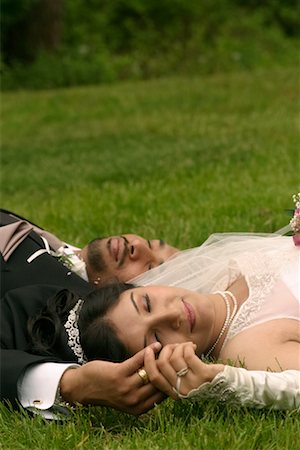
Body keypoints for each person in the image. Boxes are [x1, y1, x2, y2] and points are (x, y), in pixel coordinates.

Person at [27, 233, 300, 410]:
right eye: (156, 338)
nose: (172, 316)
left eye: (147, 303)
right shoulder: (248, 348)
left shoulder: (231, 269)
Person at [0, 209, 179, 293]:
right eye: (151, 243)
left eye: (151, 269)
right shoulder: (56, 246)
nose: (138, 245)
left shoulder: (46, 298)